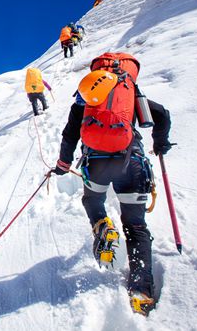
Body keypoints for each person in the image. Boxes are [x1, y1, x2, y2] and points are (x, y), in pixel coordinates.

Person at [51, 53, 172, 316]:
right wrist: (160, 143)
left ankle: (102, 225)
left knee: (92, 200)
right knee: (136, 227)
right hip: (132, 162)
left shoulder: (86, 99)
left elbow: (70, 135)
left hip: (96, 165)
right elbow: (162, 116)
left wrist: (62, 165)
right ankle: (141, 291)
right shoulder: (129, 97)